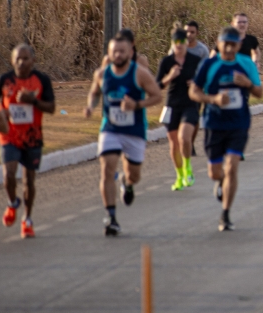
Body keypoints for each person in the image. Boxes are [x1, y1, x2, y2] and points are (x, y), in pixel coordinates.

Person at [85, 30, 163, 237]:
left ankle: (127, 184)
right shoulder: (102, 73)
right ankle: (110, 217)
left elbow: (157, 96)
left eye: (122, 51)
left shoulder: (140, 73)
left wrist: (136, 104)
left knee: (134, 175)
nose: (118, 55)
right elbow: (94, 92)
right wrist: (90, 106)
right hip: (110, 129)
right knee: (107, 168)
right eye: (114, 51)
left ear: (130, 51)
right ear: (109, 53)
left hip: (134, 130)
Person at [189, 26, 263, 231]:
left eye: (233, 45)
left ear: (239, 45)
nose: (229, 49)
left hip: (239, 123)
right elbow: (194, 92)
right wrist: (213, 99)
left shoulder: (246, 63)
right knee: (214, 172)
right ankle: (220, 182)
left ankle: (225, 214)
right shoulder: (209, 65)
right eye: (225, 44)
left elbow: (259, 92)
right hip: (214, 123)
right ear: (218, 44)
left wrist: (248, 84)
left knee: (231, 166)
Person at [0, 43, 55, 239]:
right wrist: (1, 113)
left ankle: (27, 220)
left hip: (32, 137)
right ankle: (13, 203)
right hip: (9, 136)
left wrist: (33, 101)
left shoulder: (41, 80)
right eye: (17, 59)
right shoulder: (4, 80)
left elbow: (51, 107)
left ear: (33, 60)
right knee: (8, 175)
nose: (21, 62)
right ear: (12, 61)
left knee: (29, 180)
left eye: (25, 58)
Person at [156, 28, 203, 191]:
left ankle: (188, 167)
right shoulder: (166, 61)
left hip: (190, 104)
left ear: (186, 43)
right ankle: (179, 176)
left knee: (184, 138)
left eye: (182, 42)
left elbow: (205, 80)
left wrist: (196, 83)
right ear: (172, 43)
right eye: (176, 42)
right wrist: (170, 76)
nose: (179, 45)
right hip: (171, 106)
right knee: (174, 144)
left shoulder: (195, 60)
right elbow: (157, 85)